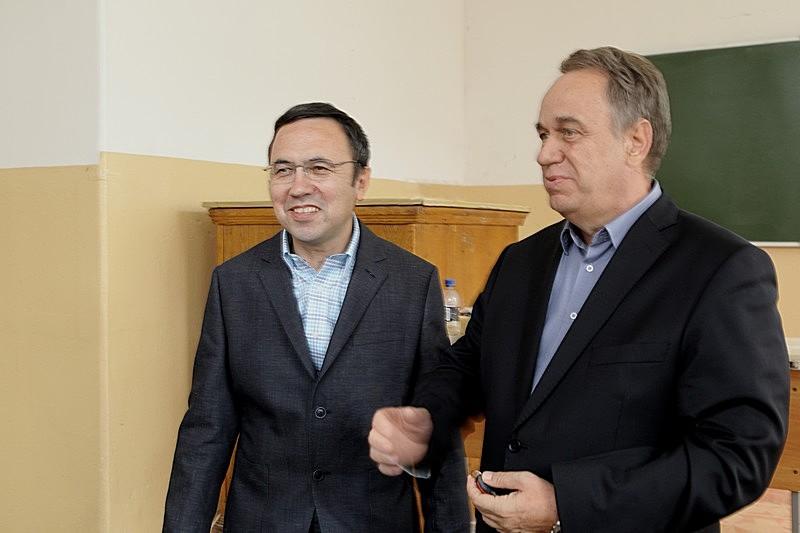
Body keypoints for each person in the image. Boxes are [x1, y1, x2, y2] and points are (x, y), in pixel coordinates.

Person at [369, 47, 790, 533]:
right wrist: (428, 416)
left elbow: (736, 456)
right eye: (543, 134)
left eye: (568, 132)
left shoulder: (721, 270)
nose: (544, 154)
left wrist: (566, 505)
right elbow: (470, 366)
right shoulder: (520, 262)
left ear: (636, 140)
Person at [164, 102, 469, 532]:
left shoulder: (411, 282)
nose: (298, 187)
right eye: (282, 170)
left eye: (319, 168)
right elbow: (207, 430)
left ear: (361, 181)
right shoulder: (234, 283)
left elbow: (435, 429)